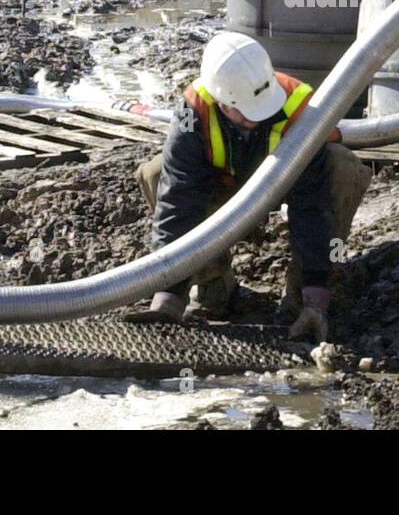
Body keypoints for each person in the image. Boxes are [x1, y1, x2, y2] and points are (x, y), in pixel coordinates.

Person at [131, 31, 370, 341]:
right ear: (221, 101)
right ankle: (212, 282)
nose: (255, 119)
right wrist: (168, 295)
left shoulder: (300, 108)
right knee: (156, 172)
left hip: (289, 186)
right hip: (223, 187)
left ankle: (301, 299)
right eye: (244, 112)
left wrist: (316, 295)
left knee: (342, 167)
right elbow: (179, 202)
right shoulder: (194, 111)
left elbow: (314, 206)